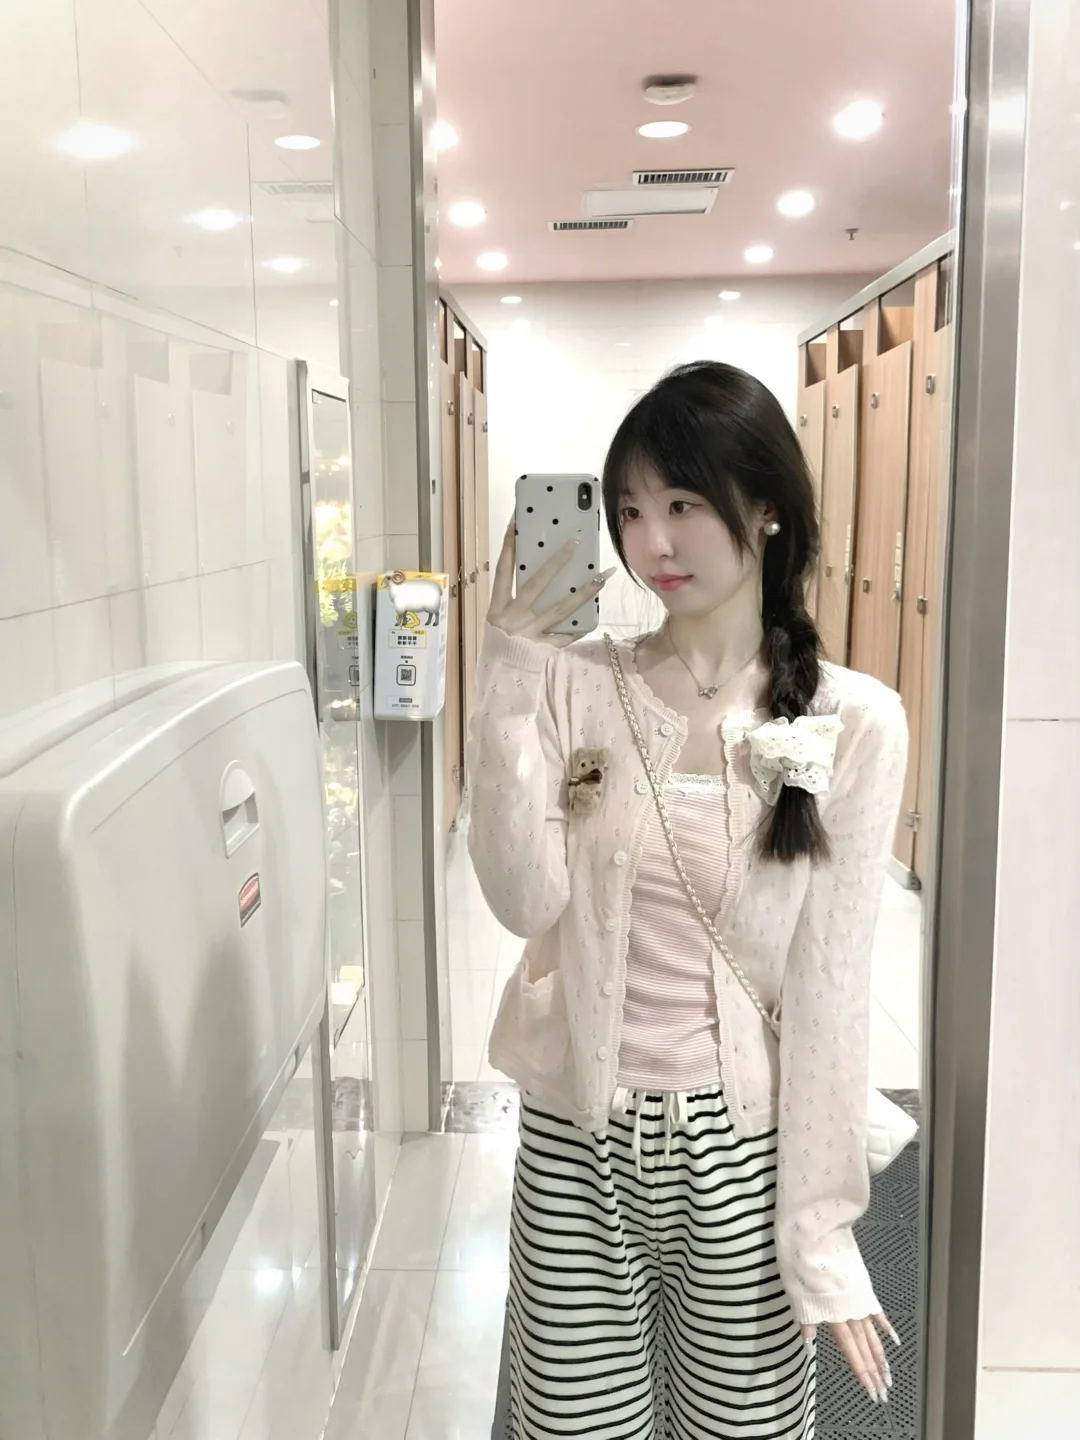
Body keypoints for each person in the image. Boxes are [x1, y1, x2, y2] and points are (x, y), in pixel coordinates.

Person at [468, 361, 908, 1439]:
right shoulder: (577, 681)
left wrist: (821, 1228)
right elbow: (524, 899)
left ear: (766, 509)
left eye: (680, 504)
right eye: (627, 510)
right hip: (578, 1133)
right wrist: (508, 676)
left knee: (742, 1425)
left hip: (743, 1148)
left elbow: (830, 986)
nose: (649, 542)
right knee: (573, 1422)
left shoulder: (853, 720)